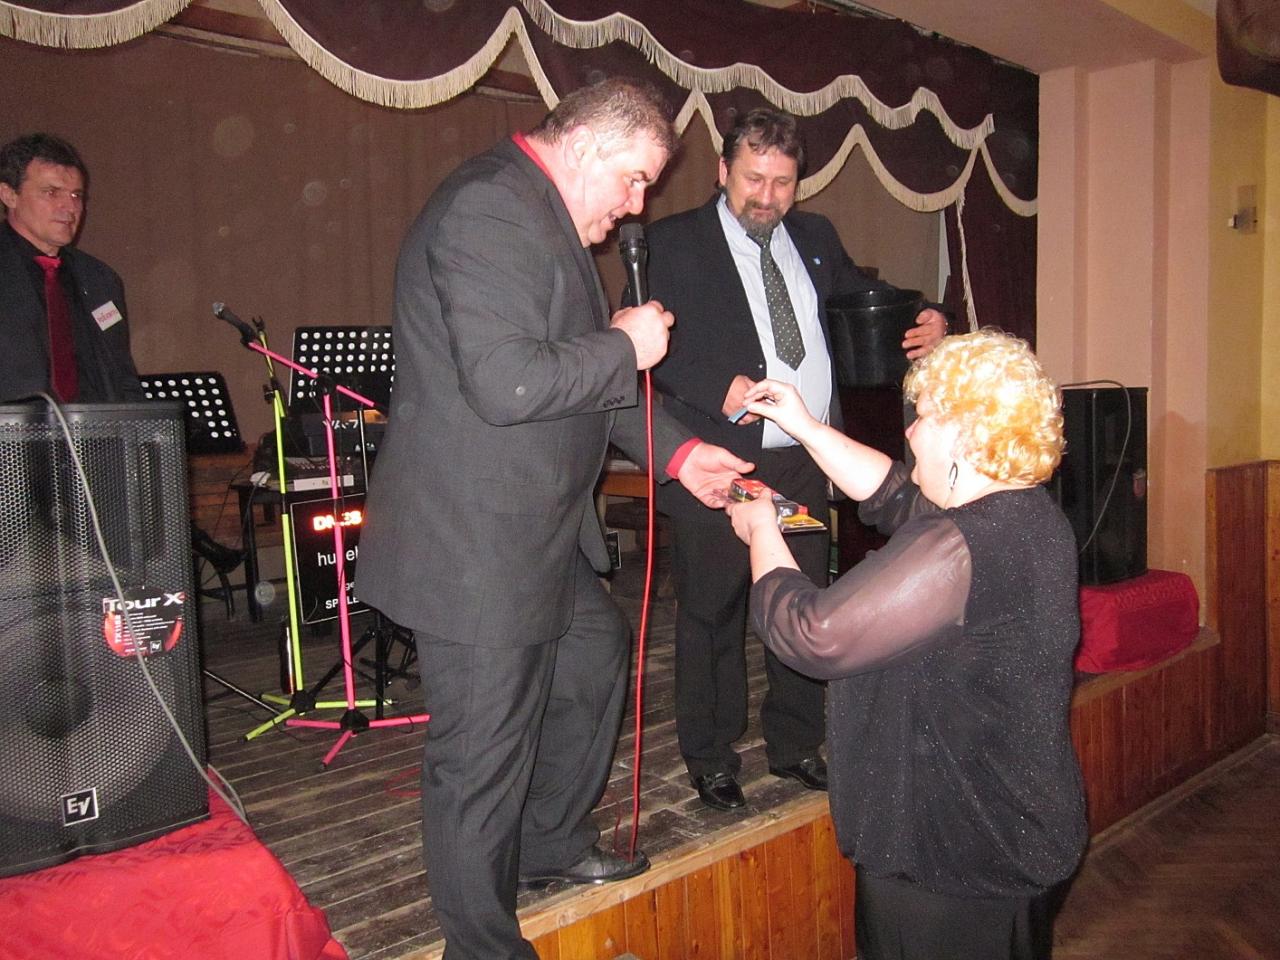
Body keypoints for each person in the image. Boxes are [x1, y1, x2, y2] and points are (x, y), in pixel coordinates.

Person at [356, 78, 752, 960]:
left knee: (591, 659)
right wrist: (625, 343)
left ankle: (546, 843)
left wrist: (683, 455)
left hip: (528, 535)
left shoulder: (542, 216)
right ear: (582, 146)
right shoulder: (492, 208)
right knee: (481, 758)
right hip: (476, 543)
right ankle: (482, 948)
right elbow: (511, 383)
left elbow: (587, 389)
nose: (638, 203)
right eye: (635, 177)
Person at [725, 329, 1087, 960]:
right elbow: (893, 492)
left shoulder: (959, 547)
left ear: (963, 435)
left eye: (924, 417)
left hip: (954, 854)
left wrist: (762, 530)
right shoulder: (1024, 512)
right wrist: (804, 426)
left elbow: (813, 633)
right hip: (1005, 826)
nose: (911, 431)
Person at [645, 107, 946, 810]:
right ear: (723, 171)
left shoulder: (814, 236)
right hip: (715, 461)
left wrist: (928, 316)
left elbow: (864, 303)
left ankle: (796, 742)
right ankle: (711, 756)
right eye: (754, 179)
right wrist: (718, 388)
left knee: (805, 601)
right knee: (713, 612)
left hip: (803, 461)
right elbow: (647, 344)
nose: (768, 196)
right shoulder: (672, 242)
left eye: (782, 182)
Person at [0, 133, 143, 404]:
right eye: (51, 192)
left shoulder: (100, 280)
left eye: (76, 195)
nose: (70, 207)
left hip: (94, 428)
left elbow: (123, 379)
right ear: (9, 195)